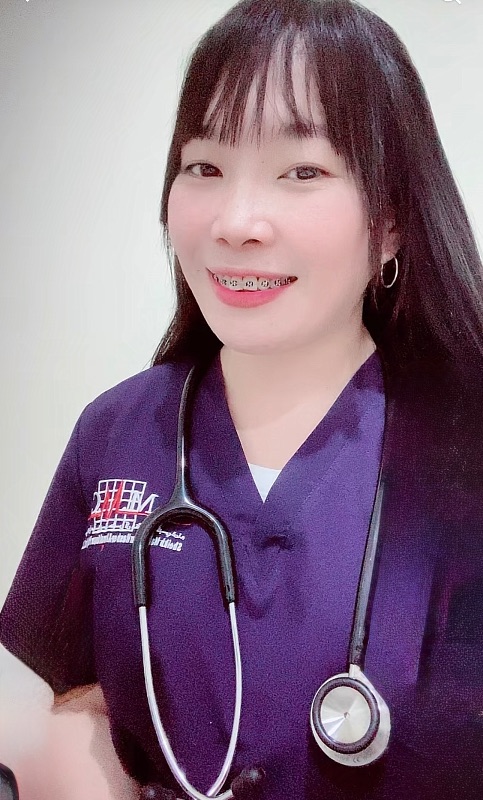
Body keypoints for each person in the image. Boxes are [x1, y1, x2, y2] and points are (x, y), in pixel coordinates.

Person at [2, 0, 483, 797]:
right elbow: (75, 692)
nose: (235, 222)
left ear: (392, 221)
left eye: (302, 172)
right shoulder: (117, 433)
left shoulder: (463, 451)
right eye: (204, 167)